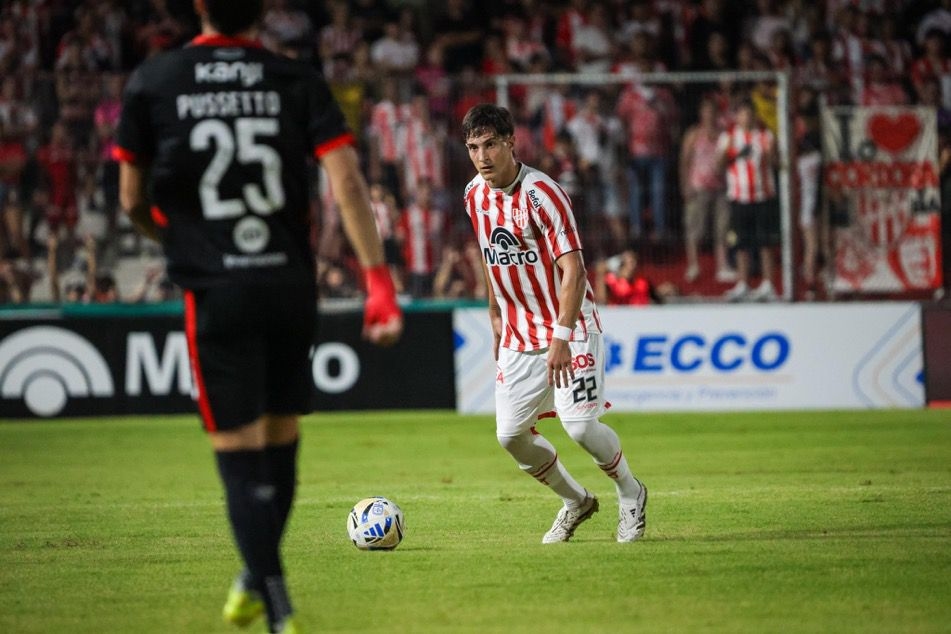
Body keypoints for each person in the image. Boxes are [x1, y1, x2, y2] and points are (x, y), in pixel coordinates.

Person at [114, 2, 404, 632]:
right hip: (288, 285)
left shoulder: (156, 79)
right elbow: (347, 182)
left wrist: (181, 241)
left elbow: (131, 198)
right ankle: (256, 581)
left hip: (216, 290)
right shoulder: (294, 76)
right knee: (280, 441)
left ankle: (277, 608)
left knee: (240, 456)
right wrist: (377, 280)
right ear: (263, 10)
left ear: (198, 5)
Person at [461, 103, 647, 544]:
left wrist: (561, 337)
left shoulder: (543, 194)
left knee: (579, 425)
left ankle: (630, 492)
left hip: (570, 326)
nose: (482, 157)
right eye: (473, 147)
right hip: (519, 333)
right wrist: (494, 313)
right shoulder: (473, 195)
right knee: (510, 435)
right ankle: (576, 501)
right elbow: (489, 254)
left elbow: (574, 270)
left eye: (490, 145)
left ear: (511, 143)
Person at [717, 99, 780, 302]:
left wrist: (771, 154)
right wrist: (729, 153)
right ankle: (743, 283)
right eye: (742, 113)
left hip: (763, 195)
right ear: (737, 116)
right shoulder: (728, 137)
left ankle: (768, 284)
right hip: (739, 196)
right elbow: (719, 166)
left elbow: (776, 163)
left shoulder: (765, 135)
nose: (746, 117)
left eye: (749, 113)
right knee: (740, 242)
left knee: (765, 241)